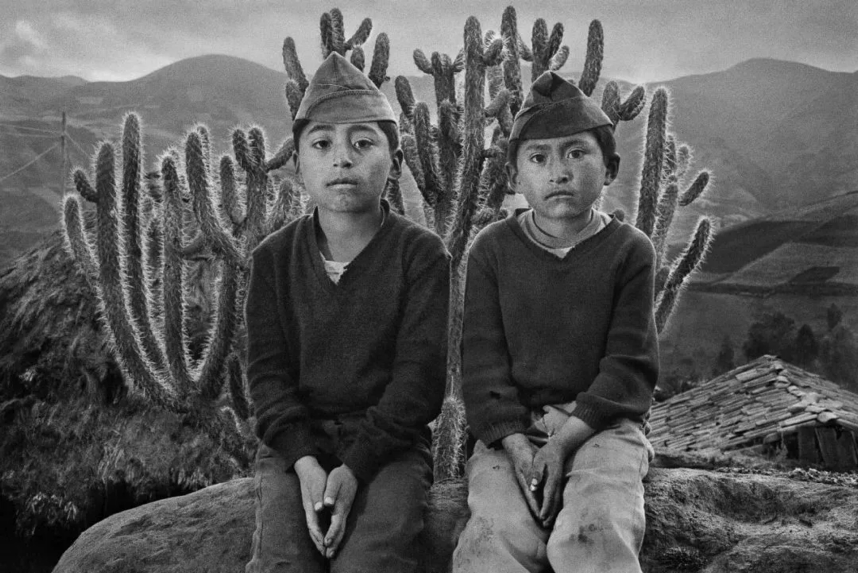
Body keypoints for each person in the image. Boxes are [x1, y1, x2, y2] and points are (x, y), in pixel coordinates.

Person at [244, 52, 450, 573]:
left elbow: (419, 383)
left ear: (396, 162)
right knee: (283, 561)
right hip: (296, 446)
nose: (342, 158)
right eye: (322, 144)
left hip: (389, 446)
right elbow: (268, 379)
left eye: (363, 142)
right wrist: (307, 463)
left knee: (373, 561)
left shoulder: (421, 256)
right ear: (297, 165)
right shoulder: (272, 260)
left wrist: (356, 466)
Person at [452, 71, 659, 573]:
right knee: (490, 539)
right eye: (539, 158)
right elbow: (481, 362)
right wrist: (518, 443)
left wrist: (565, 444)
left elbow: (629, 365)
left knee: (594, 530)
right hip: (513, 431)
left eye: (576, 153)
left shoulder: (630, 252)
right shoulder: (492, 251)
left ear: (608, 168)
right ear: (514, 177)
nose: (558, 171)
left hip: (602, 426)